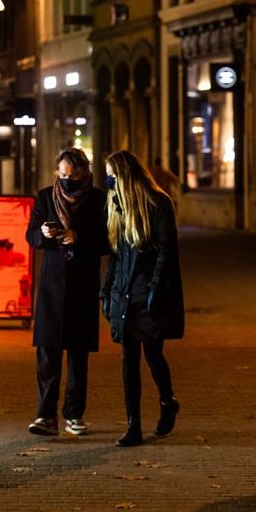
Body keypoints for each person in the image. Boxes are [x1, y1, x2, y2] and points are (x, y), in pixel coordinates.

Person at [101, 150, 185, 446]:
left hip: (147, 293)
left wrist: (155, 289)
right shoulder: (115, 206)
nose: (109, 180)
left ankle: (166, 401)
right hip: (124, 293)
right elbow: (114, 255)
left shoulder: (158, 203)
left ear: (126, 174)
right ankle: (133, 425)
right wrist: (106, 290)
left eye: (113, 174)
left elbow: (166, 251)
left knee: (152, 354)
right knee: (128, 358)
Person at [25, 148, 109, 437]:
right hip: (51, 287)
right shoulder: (46, 196)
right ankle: (45, 416)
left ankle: (74, 414)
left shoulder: (98, 199)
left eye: (73, 176)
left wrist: (80, 238)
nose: (67, 181)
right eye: (62, 175)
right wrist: (44, 235)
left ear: (85, 173)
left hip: (82, 286)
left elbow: (107, 241)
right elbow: (30, 234)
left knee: (78, 355)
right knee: (47, 354)